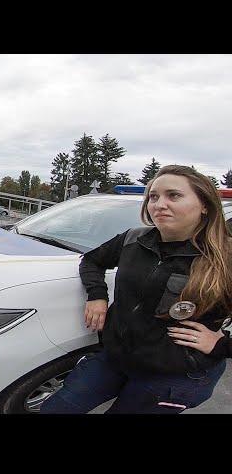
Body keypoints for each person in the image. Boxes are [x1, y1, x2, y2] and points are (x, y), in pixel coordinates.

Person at [40, 165, 232, 414]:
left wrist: (221, 345)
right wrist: (97, 295)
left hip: (174, 375)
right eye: (154, 196)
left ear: (205, 205)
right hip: (116, 358)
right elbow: (92, 260)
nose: (159, 204)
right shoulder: (134, 239)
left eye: (174, 196)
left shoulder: (225, 257)